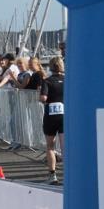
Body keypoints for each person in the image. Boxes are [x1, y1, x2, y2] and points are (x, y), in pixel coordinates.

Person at [40, 56, 65, 184]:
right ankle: (69, 174)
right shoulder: (68, 80)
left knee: (50, 146)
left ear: (50, 67)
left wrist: (42, 97)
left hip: (51, 116)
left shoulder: (47, 81)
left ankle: (52, 175)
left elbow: (43, 98)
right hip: (65, 116)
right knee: (65, 147)